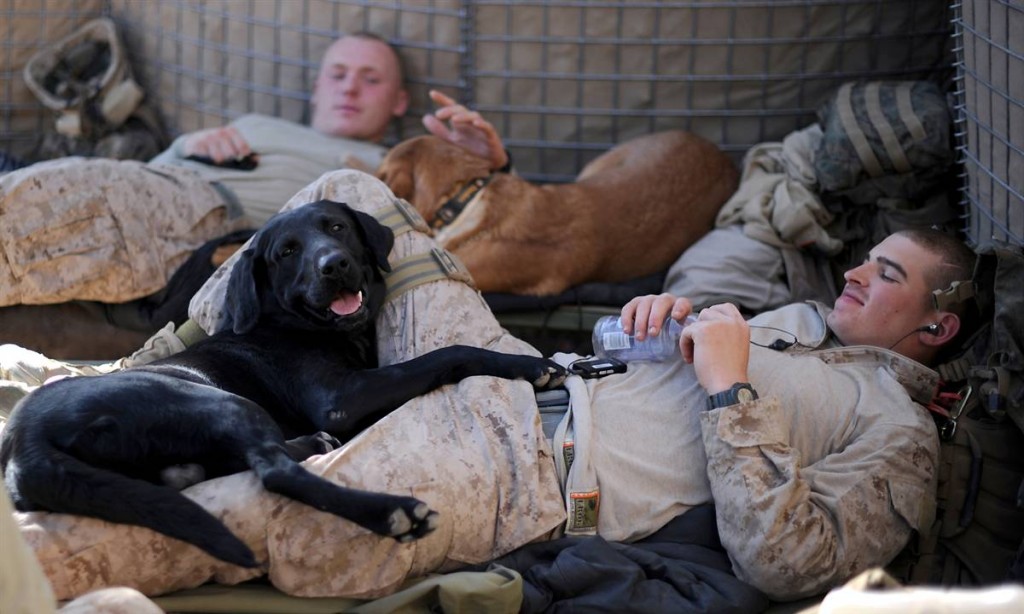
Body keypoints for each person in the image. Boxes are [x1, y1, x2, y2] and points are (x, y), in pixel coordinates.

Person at [2, 164, 978, 608]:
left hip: (523, 472)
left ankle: (26, 562)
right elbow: (621, 346)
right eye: (864, 259)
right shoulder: (787, 318)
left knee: (264, 515)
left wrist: (729, 392)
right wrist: (639, 323)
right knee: (345, 194)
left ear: (935, 329)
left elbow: (790, 564)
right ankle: (158, 363)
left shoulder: (895, 430)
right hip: (515, 371)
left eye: (885, 275)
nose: (854, 273)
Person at [0, 31, 508, 310]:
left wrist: (486, 164)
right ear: (316, 88)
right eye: (339, 74)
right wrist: (185, 146)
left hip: (216, 226)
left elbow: (476, 229)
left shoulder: (398, 167)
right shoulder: (256, 124)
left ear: (399, 101)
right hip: (155, 183)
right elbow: (136, 176)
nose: (350, 87)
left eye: (370, 79)